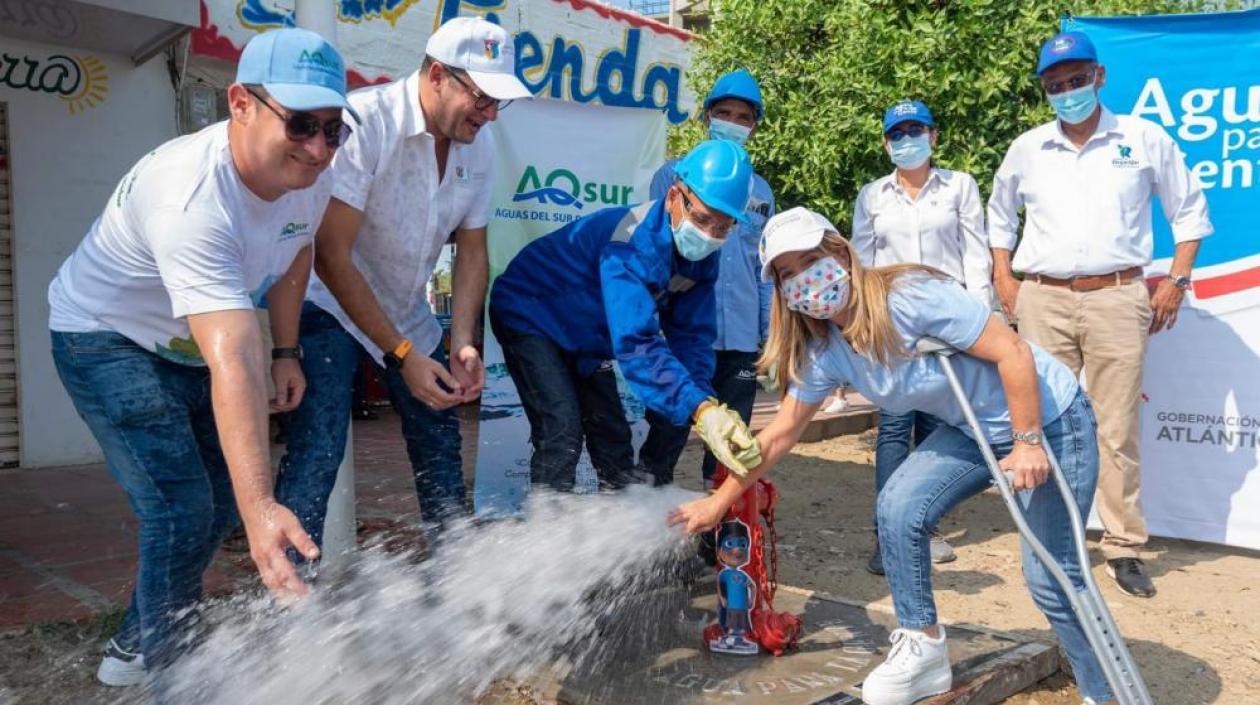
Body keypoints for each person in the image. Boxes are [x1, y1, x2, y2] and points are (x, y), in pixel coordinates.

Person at [672, 207, 1118, 705]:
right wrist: (718, 503)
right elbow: (780, 434)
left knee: (1052, 577)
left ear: (841, 254)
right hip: (971, 429)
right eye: (787, 273)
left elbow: (1013, 353)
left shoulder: (910, 297)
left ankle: (1105, 692)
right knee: (898, 504)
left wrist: (1027, 442)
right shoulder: (825, 349)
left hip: (1046, 419)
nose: (803, 279)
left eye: (810, 261)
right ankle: (923, 648)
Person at [47, 29, 357, 684]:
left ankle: (135, 643)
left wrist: (287, 349)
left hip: (188, 343)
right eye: (301, 124)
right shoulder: (189, 195)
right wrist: (262, 508)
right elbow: (233, 359)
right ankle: (175, 678)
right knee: (182, 507)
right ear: (240, 103)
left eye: (334, 130)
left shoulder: (310, 175)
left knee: (213, 502)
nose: (318, 148)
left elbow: (297, 247)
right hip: (107, 337)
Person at [275, 17, 532, 546]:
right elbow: (331, 255)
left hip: (406, 309)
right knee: (318, 450)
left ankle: (454, 571)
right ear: (438, 75)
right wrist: (401, 355)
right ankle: (286, 587)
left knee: (440, 438)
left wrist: (463, 342)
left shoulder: (479, 145)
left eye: (498, 102)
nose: (489, 114)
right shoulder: (366, 122)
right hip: (331, 307)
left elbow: (472, 251)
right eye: (482, 97)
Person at [989, 30, 1212, 598]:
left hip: (1117, 294)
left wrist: (1177, 280)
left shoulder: (1141, 138)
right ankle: (1051, 539)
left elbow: (1189, 211)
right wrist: (1004, 277)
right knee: (1040, 421)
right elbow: (999, 216)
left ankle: (1122, 546)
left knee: (1115, 426)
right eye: (1055, 84)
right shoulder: (1028, 148)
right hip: (1043, 296)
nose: (1067, 91)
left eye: (1077, 79)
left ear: (1100, 77)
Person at [488, 140, 762, 492]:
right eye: (702, 219)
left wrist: (705, 404)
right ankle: (545, 523)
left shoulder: (702, 258)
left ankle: (627, 516)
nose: (709, 235)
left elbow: (692, 339)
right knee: (561, 429)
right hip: (530, 311)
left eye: (723, 228)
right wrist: (699, 409)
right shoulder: (629, 243)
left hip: (586, 333)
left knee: (613, 437)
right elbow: (636, 343)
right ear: (673, 196)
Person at [851, 99, 994, 574]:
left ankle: (924, 526)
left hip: (949, 321)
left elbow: (975, 255)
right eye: (897, 134)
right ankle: (885, 532)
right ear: (885, 143)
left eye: (915, 131)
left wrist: (980, 318)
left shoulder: (959, 187)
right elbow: (862, 262)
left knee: (936, 426)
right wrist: (866, 322)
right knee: (894, 427)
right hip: (894, 324)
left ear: (933, 136)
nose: (906, 141)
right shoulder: (873, 196)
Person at [638, 69, 775, 488]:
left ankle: (723, 524)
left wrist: (770, 335)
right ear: (707, 118)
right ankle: (648, 515)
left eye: (743, 117)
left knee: (733, 442)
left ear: (754, 127)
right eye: (724, 113)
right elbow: (654, 249)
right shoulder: (672, 175)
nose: (732, 122)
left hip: (739, 338)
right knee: (667, 431)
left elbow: (764, 269)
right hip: (684, 332)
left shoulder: (761, 191)